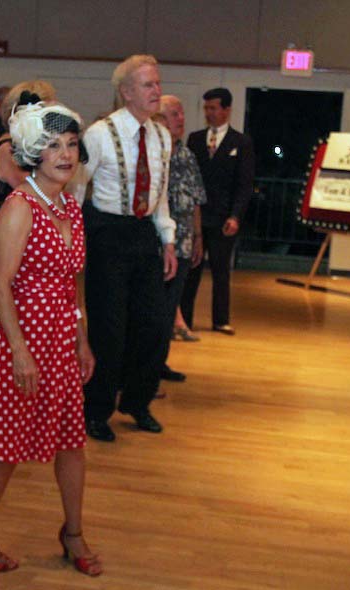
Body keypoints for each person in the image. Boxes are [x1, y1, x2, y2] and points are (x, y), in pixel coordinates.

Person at [0, 100, 102, 577]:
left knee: (71, 444)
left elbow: (74, 280)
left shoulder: (69, 205)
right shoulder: (19, 208)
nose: (65, 154)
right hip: (22, 344)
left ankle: (73, 532)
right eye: (54, 145)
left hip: (61, 340)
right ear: (34, 153)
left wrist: (82, 340)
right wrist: (20, 352)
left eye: (72, 144)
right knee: (5, 449)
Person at [72, 54, 176, 442]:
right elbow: (78, 189)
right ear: (126, 92)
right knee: (108, 328)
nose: (157, 91)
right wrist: (75, 240)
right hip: (107, 234)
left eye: (157, 83)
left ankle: (137, 400)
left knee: (153, 324)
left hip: (144, 232)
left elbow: (159, 193)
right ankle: (96, 409)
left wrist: (166, 239)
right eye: (148, 85)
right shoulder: (99, 134)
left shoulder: (161, 136)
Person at [183, 87, 255, 336]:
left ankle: (221, 319)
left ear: (226, 110)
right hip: (197, 216)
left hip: (224, 218)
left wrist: (235, 216)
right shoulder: (194, 139)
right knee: (191, 270)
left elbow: (245, 185)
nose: (209, 113)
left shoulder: (241, 142)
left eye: (214, 108)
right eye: (206, 108)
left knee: (221, 270)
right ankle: (185, 320)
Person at [0, 80, 57, 324]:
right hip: (14, 244)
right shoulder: (8, 148)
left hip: (28, 243)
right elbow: (36, 193)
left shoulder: (27, 149)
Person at [155, 96, 206, 382]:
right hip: (161, 246)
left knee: (171, 305)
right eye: (175, 114)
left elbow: (196, 199)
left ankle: (159, 364)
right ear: (159, 119)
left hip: (184, 244)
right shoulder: (155, 153)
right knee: (157, 312)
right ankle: (146, 367)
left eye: (182, 113)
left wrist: (198, 236)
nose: (181, 119)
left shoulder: (187, 155)